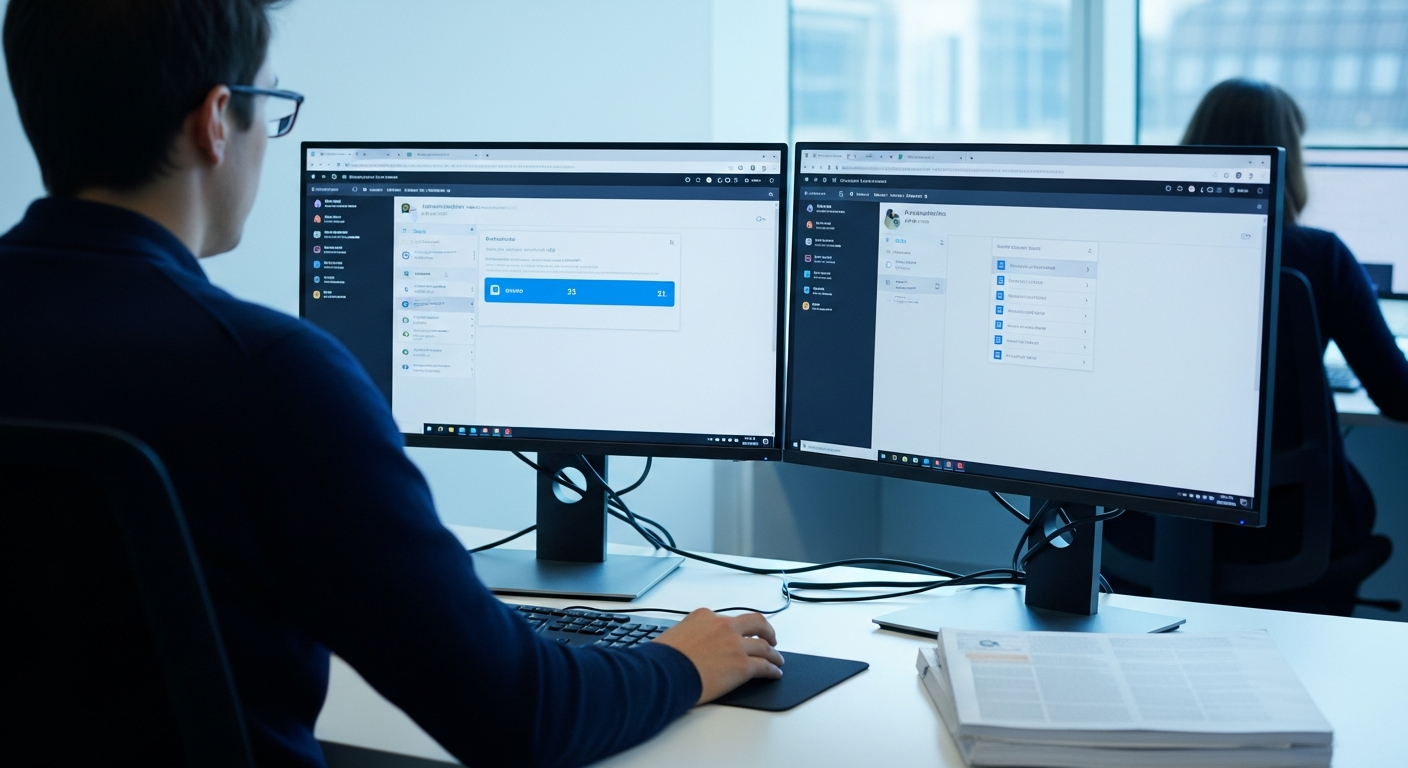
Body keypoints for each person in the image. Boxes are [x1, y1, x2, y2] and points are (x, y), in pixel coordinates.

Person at [0, 2, 782, 766]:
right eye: (272, 107)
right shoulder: (267, 374)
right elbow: (522, 716)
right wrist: (682, 662)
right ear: (215, 121)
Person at [1105, 79, 1408, 614]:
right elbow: (1399, 397)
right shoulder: (1322, 257)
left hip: (1140, 534)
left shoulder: (1134, 245)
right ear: (1289, 157)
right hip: (1288, 539)